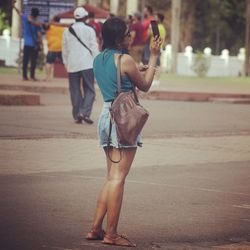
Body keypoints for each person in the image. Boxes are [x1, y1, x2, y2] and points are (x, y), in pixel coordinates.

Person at [86, 17, 162, 247]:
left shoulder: (98, 59)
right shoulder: (126, 59)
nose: (131, 36)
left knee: (111, 177)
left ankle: (95, 228)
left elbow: (118, 78)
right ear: (119, 38)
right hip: (123, 119)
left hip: (106, 117)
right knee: (118, 179)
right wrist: (154, 55)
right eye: (128, 33)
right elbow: (145, 85)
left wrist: (136, 69)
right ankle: (111, 234)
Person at [62, 7, 99, 124]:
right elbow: (94, 48)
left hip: (72, 64)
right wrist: (97, 62)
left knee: (75, 90)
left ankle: (78, 114)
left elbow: (65, 49)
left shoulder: (67, 31)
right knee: (90, 90)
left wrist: (66, 63)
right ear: (85, 17)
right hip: (87, 64)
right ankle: (84, 112)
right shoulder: (90, 30)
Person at [12, 0, 43, 81]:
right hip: (34, 44)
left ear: (31, 13)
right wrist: (41, 44)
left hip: (27, 43)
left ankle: (24, 76)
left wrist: (14, 6)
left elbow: (19, 12)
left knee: (25, 61)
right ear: (37, 14)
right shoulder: (37, 22)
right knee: (33, 61)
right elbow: (39, 34)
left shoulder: (26, 18)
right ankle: (32, 76)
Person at [43, 16, 66, 81]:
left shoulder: (50, 27)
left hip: (52, 47)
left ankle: (48, 77)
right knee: (65, 63)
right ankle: (71, 76)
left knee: (48, 62)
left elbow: (45, 26)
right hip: (61, 47)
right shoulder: (62, 27)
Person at [149, 13, 166, 85]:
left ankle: (157, 79)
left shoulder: (159, 27)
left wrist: (150, 28)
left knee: (157, 64)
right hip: (157, 47)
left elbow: (150, 34)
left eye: (156, 17)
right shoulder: (161, 27)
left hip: (157, 48)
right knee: (157, 63)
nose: (155, 18)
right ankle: (156, 79)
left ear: (159, 19)